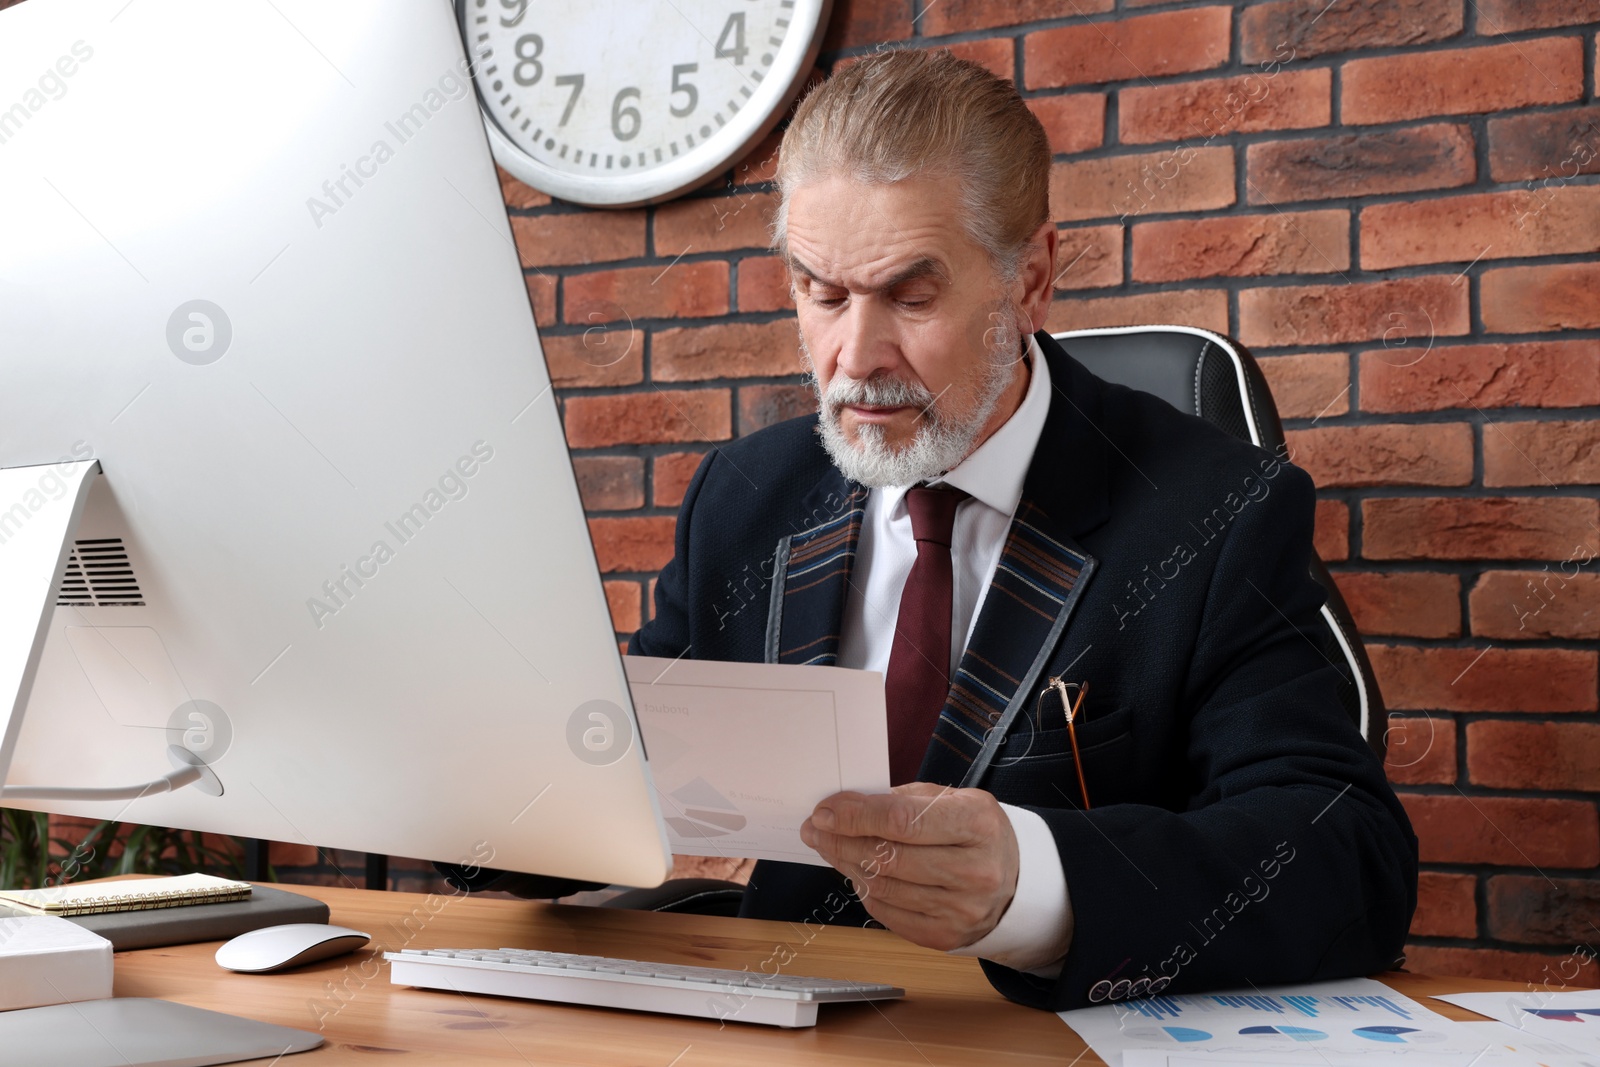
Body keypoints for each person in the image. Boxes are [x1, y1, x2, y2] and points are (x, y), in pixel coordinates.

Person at [447, 49, 1418, 1013]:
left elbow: (1346, 857)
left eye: (910, 297)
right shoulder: (743, 495)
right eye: (820, 293)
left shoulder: (1212, 511)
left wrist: (1030, 883)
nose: (854, 358)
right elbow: (624, 776)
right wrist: (477, 794)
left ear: (1030, 279)